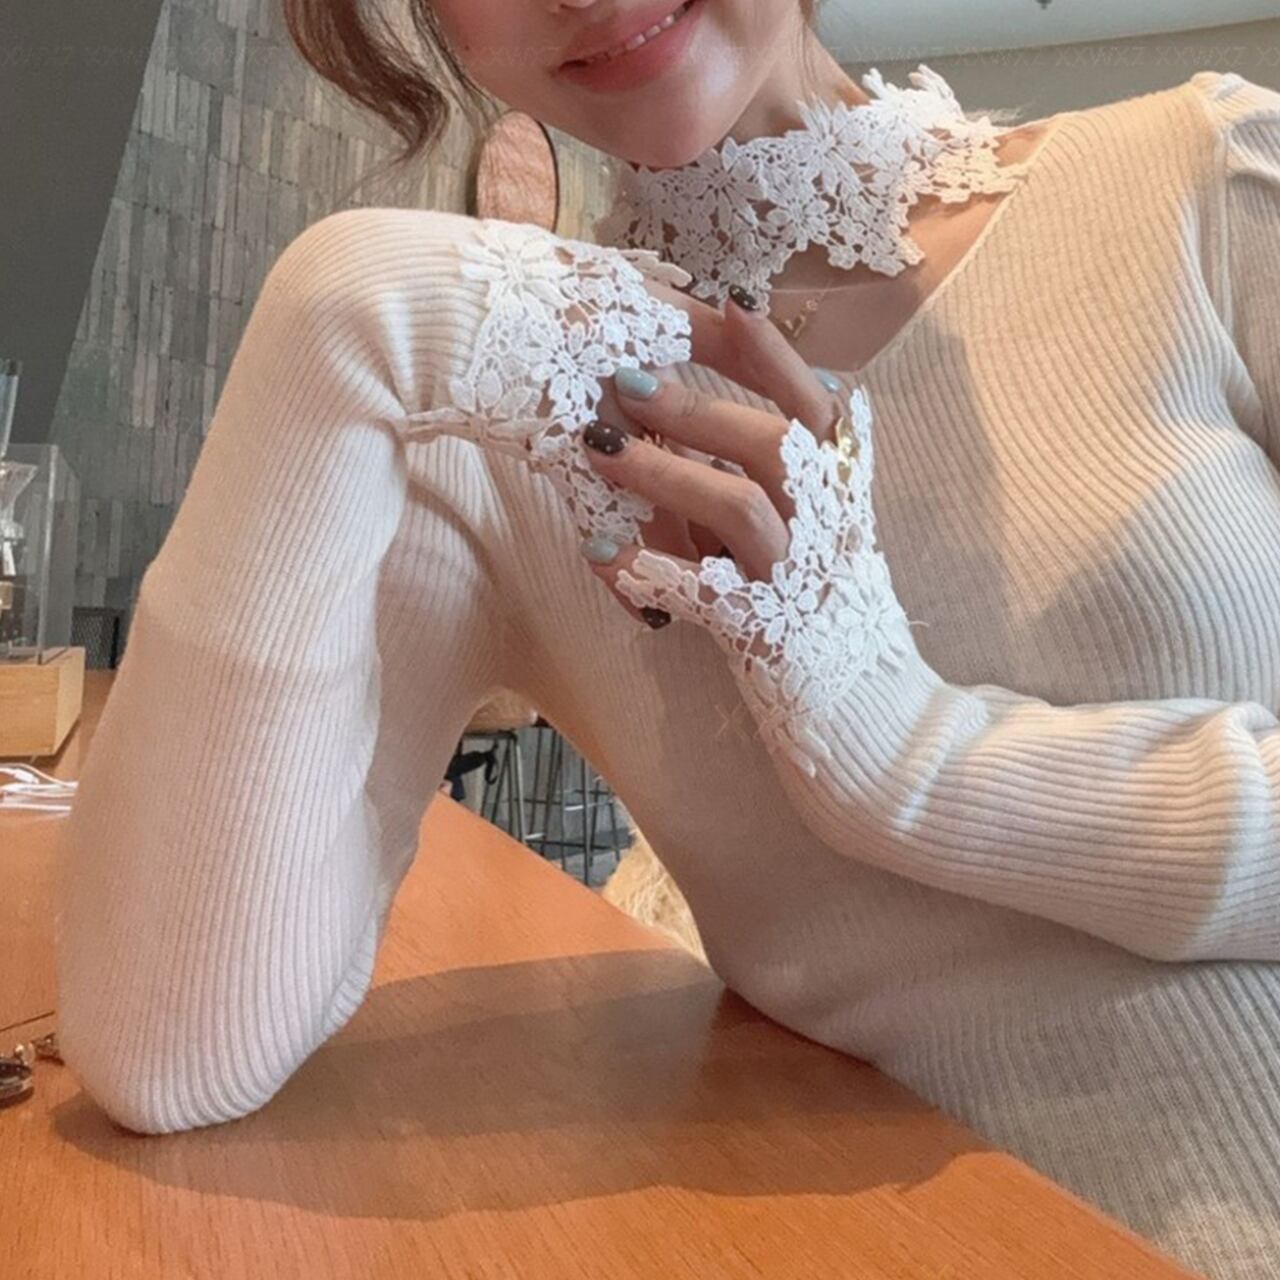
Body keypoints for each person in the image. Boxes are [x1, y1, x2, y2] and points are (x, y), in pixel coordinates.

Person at [52, 1, 1280, 1275]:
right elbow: (172, 1046)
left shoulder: (1206, 183)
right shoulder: (500, 415)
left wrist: (908, 754)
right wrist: (334, 307)